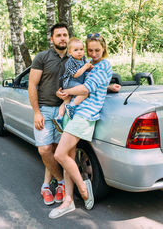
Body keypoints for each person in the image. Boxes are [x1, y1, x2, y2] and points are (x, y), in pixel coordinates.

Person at [49, 33, 121, 219]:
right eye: (90, 50)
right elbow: (92, 83)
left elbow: (86, 88)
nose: (94, 53)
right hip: (74, 111)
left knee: (59, 154)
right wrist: (108, 87)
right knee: (69, 157)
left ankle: (82, 187)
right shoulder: (89, 63)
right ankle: (68, 201)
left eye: (97, 50)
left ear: (104, 49)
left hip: (84, 114)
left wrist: (64, 92)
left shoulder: (104, 64)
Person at [28, 23, 69, 206]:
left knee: (57, 150)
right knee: (44, 150)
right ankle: (61, 181)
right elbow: (32, 85)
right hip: (44, 109)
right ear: (51, 39)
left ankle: (47, 186)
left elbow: (89, 80)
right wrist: (36, 112)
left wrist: (109, 86)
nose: (62, 38)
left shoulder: (75, 57)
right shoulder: (42, 57)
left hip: (65, 112)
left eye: (65, 35)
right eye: (58, 35)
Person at [53, 37, 93, 132]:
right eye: (76, 50)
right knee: (85, 92)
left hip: (76, 82)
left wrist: (88, 68)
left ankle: (59, 117)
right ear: (70, 52)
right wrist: (85, 67)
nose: (79, 52)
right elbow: (76, 74)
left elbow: (83, 70)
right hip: (70, 82)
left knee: (67, 99)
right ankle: (72, 106)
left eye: (81, 49)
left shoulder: (83, 58)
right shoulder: (70, 62)